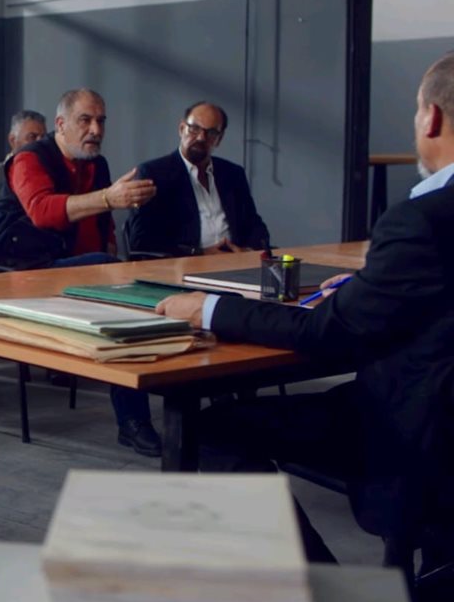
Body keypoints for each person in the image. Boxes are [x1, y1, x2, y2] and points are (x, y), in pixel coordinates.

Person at [155, 52, 454, 569]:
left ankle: (324, 588)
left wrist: (209, 309)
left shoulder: (420, 220)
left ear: (430, 117)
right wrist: (371, 287)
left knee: (213, 430)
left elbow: (327, 335)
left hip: (414, 437)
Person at [0, 88, 162, 457]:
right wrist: (108, 199)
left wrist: (111, 253)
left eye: (101, 121)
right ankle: (133, 420)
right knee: (115, 279)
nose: (95, 129)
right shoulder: (28, 158)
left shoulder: (97, 164)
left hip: (69, 271)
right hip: (18, 272)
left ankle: (142, 415)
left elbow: (101, 228)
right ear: (61, 124)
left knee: (128, 284)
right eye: (85, 120)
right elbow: (42, 211)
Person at [127, 102, 270, 256]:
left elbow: (255, 226)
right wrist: (199, 253)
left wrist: (246, 251)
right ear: (182, 129)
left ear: (219, 139)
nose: (201, 137)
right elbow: (141, 240)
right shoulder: (153, 173)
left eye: (211, 132)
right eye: (194, 128)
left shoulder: (233, 174)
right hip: (184, 265)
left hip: (234, 262)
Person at [0, 110, 47, 224]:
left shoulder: (51, 172)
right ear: (13, 140)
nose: (40, 143)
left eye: (43, 137)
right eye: (32, 137)